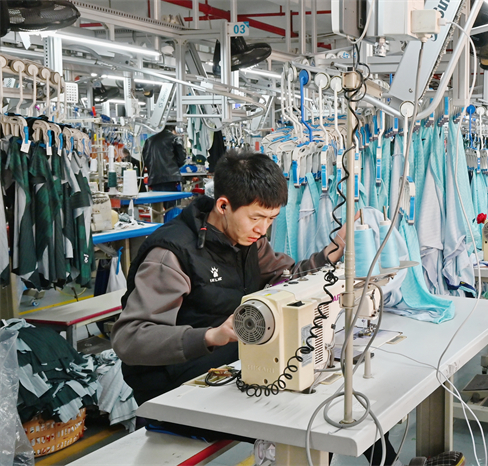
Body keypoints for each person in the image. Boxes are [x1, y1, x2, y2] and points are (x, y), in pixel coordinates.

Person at [111, 151, 397, 464]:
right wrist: (210, 336)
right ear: (223, 206)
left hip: (227, 365)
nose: (263, 229)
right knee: (308, 420)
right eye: (257, 218)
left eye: (271, 220)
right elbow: (130, 338)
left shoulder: (247, 241)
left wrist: (333, 251)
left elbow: (287, 277)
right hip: (173, 386)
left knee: (341, 402)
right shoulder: (171, 255)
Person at [142, 124, 186, 208]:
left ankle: (158, 216)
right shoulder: (175, 139)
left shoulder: (149, 141)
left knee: (157, 207)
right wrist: (173, 167)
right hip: (171, 178)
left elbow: (146, 160)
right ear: (174, 129)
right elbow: (182, 159)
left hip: (154, 178)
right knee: (170, 208)